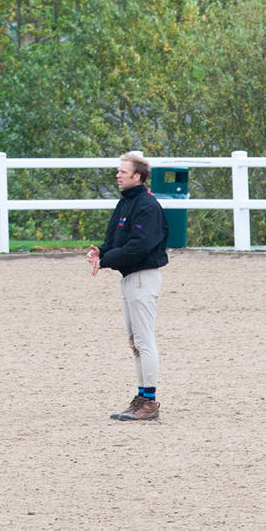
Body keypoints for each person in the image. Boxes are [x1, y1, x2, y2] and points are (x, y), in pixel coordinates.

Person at [86, 151, 169, 421]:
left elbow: (140, 245)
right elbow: (116, 239)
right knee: (135, 341)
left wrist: (107, 260)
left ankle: (149, 400)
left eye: (123, 171)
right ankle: (142, 397)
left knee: (144, 340)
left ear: (138, 176)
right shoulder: (126, 203)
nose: (118, 175)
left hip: (143, 277)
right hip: (130, 278)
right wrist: (101, 253)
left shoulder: (147, 206)